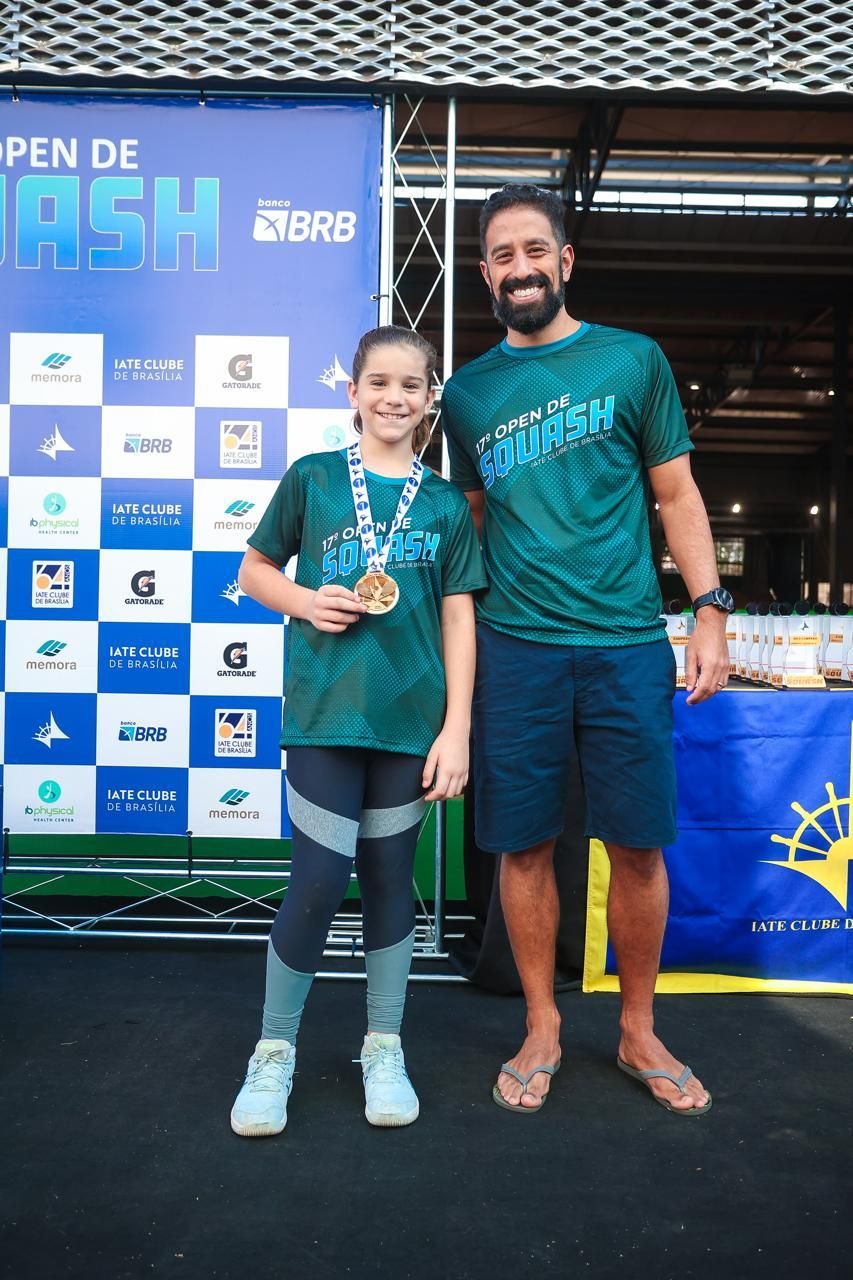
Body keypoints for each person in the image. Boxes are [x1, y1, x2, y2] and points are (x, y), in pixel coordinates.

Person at [441, 184, 731, 1117]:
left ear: (565, 261)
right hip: (515, 650)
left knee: (638, 846)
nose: (518, 267)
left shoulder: (631, 361)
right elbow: (471, 526)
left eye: (535, 249)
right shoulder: (467, 392)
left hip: (622, 644)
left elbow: (677, 497)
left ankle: (638, 1029)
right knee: (522, 847)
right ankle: (541, 1023)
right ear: (484, 273)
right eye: (500, 255)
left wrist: (709, 613)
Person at [230, 326, 486, 1137]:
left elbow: (457, 618)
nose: (393, 398)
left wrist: (457, 729)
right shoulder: (312, 478)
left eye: (411, 386)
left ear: (428, 401)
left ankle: (384, 1046)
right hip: (323, 715)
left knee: (386, 881)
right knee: (315, 880)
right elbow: (253, 570)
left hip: (410, 723)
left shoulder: (444, 503)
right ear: (352, 393)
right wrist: (306, 602)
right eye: (378, 382)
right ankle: (273, 1053)